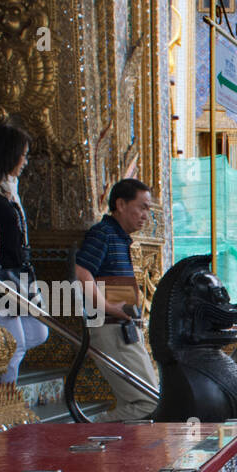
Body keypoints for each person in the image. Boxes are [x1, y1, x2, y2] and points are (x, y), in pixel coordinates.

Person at [74, 179, 160, 421]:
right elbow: (81, 272)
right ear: (120, 204)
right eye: (142, 207)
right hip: (110, 328)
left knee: (137, 401)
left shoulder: (118, 237)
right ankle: (86, 429)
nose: (145, 215)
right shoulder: (103, 233)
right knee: (149, 402)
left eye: (148, 209)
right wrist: (109, 307)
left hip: (123, 328)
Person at [0, 124, 48, 385]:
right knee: (12, 346)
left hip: (20, 275)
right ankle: (3, 402)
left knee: (39, 331)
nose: (25, 162)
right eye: (22, 154)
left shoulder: (7, 188)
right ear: (8, 153)